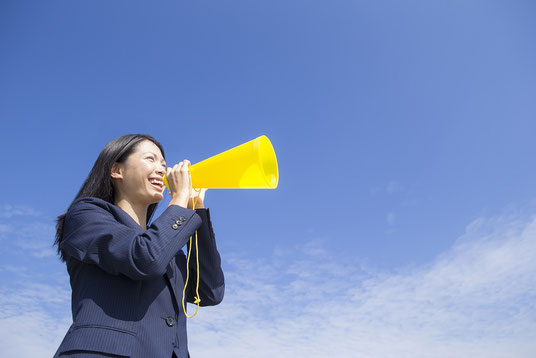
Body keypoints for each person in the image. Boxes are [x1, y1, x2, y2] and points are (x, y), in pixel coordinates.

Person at [52, 134, 225, 358]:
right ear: (117, 170)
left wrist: (196, 210)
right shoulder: (86, 214)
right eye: (150, 159)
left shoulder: (164, 243)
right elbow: (144, 258)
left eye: (164, 164)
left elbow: (210, 291)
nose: (163, 170)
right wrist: (179, 200)